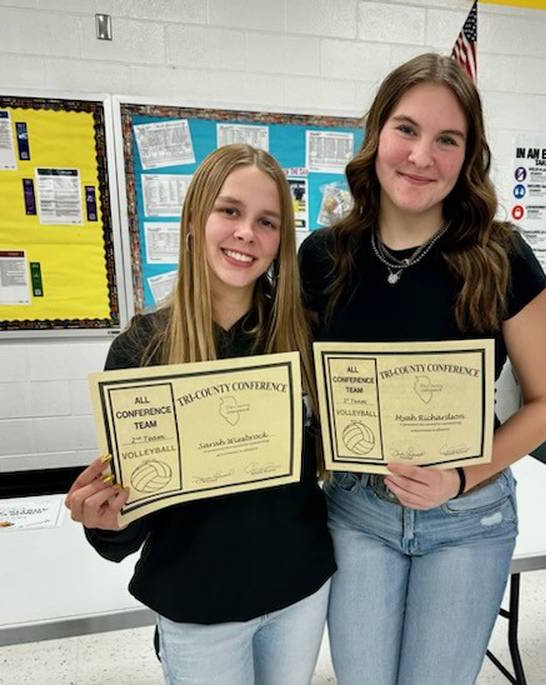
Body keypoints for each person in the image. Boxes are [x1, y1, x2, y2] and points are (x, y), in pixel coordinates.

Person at [298, 53, 546, 685]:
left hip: (468, 517)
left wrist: (458, 478)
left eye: (447, 139)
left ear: (468, 156)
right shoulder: (323, 256)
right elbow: (300, 385)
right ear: (377, 134)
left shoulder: (499, 256)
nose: (422, 156)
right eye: (407, 129)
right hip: (358, 511)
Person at [65, 145, 335, 685]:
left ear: (281, 241)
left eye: (267, 221)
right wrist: (105, 522)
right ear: (194, 219)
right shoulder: (142, 349)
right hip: (197, 603)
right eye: (229, 211)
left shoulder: (305, 337)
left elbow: (323, 464)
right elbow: (132, 509)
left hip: (298, 589)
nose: (246, 233)